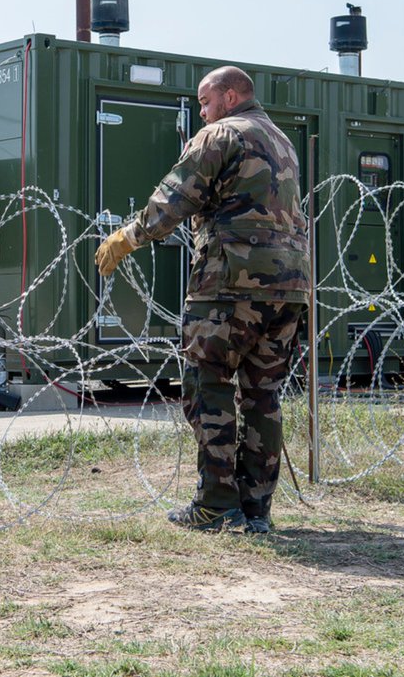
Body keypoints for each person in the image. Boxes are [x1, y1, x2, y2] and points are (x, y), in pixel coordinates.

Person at [95, 65, 310, 533]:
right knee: (263, 396)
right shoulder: (281, 140)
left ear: (230, 97)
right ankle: (256, 509)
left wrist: (128, 237)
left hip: (230, 285)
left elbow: (174, 199)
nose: (202, 112)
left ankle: (216, 505)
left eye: (205, 101)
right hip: (289, 287)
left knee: (208, 385)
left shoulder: (221, 134)